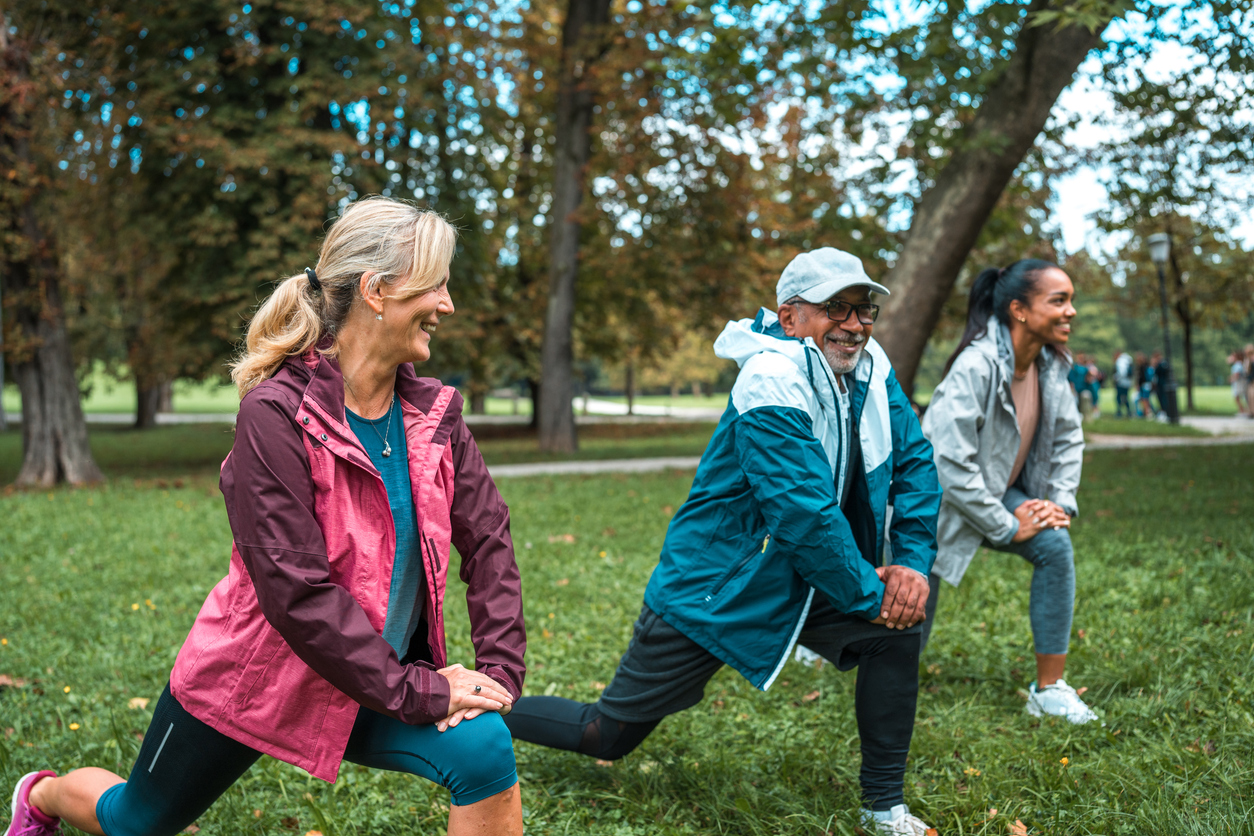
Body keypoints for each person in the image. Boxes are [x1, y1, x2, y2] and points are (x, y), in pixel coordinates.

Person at [6, 198, 527, 836]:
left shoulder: (434, 415)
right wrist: (420, 692)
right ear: (377, 291)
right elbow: (297, 592)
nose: (448, 303)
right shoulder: (276, 414)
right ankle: (44, 798)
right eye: (436, 284)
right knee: (136, 821)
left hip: (376, 680)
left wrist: (498, 674)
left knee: (485, 750)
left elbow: (490, 541)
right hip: (257, 680)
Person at [505, 248, 943, 836]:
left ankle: (883, 806)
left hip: (810, 575)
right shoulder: (770, 379)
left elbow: (914, 461)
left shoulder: (870, 365)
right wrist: (876, 593)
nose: (855, 324)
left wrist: (911, 563)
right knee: (606, 734)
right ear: (790, 319)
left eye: (864, 310)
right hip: (717, 586)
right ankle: (474, 707)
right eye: (835, 308)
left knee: (897, 633)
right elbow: (802, 515)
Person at [919, 259, 1097, 724]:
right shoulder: (974, 367)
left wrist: (1057, 504)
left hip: (999, 490)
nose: (1071, 311)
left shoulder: (1052, 365)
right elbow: (947, 464)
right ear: (1019, 310)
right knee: (908, 601)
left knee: (1055, 546)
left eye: (1070, 300)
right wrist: (1004, 524)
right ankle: (825, 644)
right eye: (1058, 300)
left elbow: (1067, 440)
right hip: (932, 503)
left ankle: (1049, 690)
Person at [1113, 350, 1134, 418]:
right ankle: (1129, 412)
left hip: (1121, 382)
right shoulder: (1128, 359)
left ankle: (1119, 412)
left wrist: (1116, 378)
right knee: (1125, 397)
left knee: (1119, 398)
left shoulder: (1120, 361)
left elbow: (1122, 373)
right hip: (1128, 382)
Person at [1135, 352, 1155, 419]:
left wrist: (1138, 384)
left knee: (1145, 400)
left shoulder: (1142, 367)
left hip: (1144, 385)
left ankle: (1147, 413)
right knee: (1145, 399)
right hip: (1146, 385)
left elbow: (1142, 378)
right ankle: (1146, 412)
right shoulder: (1146, 366)